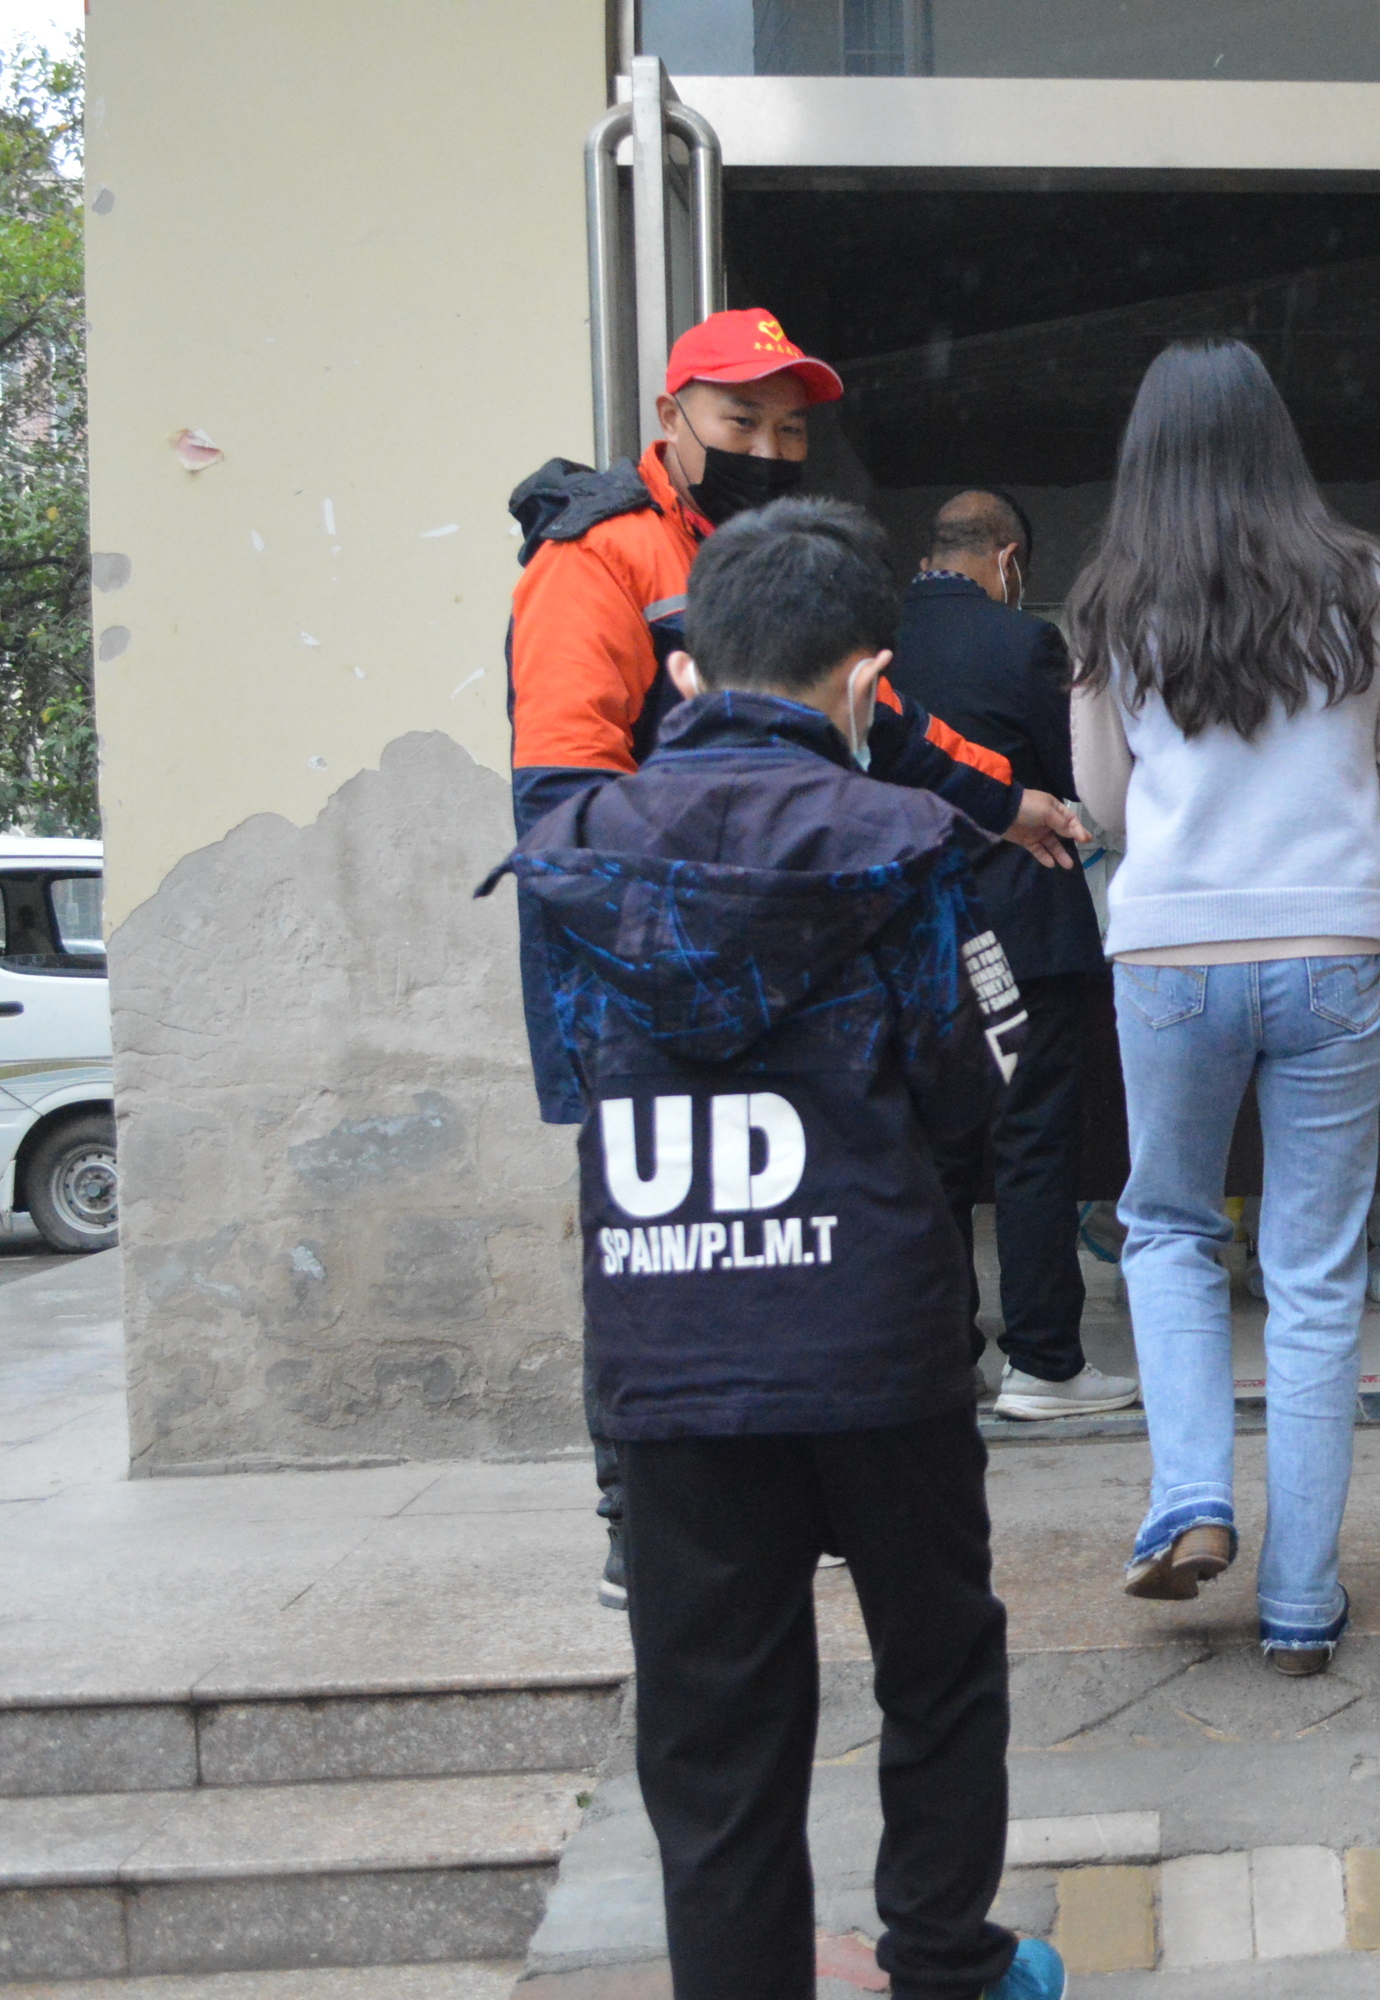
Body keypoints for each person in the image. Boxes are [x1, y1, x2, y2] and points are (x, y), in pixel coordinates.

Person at [486, 497, 1065, 2000]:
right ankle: (944, 1959)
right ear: (872, 683)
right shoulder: (909, 842)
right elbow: (969, 1085)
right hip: (879, 1342)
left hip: (673, 1360)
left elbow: (574, 1081)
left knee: (714, 1717)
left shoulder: (580, 848)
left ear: (684, 678)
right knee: (938, 1665)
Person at [504, 308, 1078, 1610]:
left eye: (789, 426)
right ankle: (634, 1507)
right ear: (671, 423)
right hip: (647, 967)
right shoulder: (599, 562)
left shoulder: (767, 564)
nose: (766, 446)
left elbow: (888, 717)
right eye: (738, 421)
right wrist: (684, 913)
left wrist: (1012, 803)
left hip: (796, 967)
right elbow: (563, 805)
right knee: (657, 1221)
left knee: (796, 1222)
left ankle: (805, 1475)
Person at [1068, 337, 1380, 1676]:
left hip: (1171, 953)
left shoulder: (1113, 597)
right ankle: (1299, 1597)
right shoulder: (1363, 584)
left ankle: (1191, 1496)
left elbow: (1106, 808)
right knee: (1312, 1267)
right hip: (1336, 942)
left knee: (1168, 1228)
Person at [889, 490, 1138, 1422]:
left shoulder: (873, 643)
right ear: (1007, 556)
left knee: (939, 1153)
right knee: (1033, 1142)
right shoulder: (1020, 642)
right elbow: (1077, 781)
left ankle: (945, 1357)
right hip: (1022, 928)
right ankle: (1043, 1362)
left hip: (913, 935)